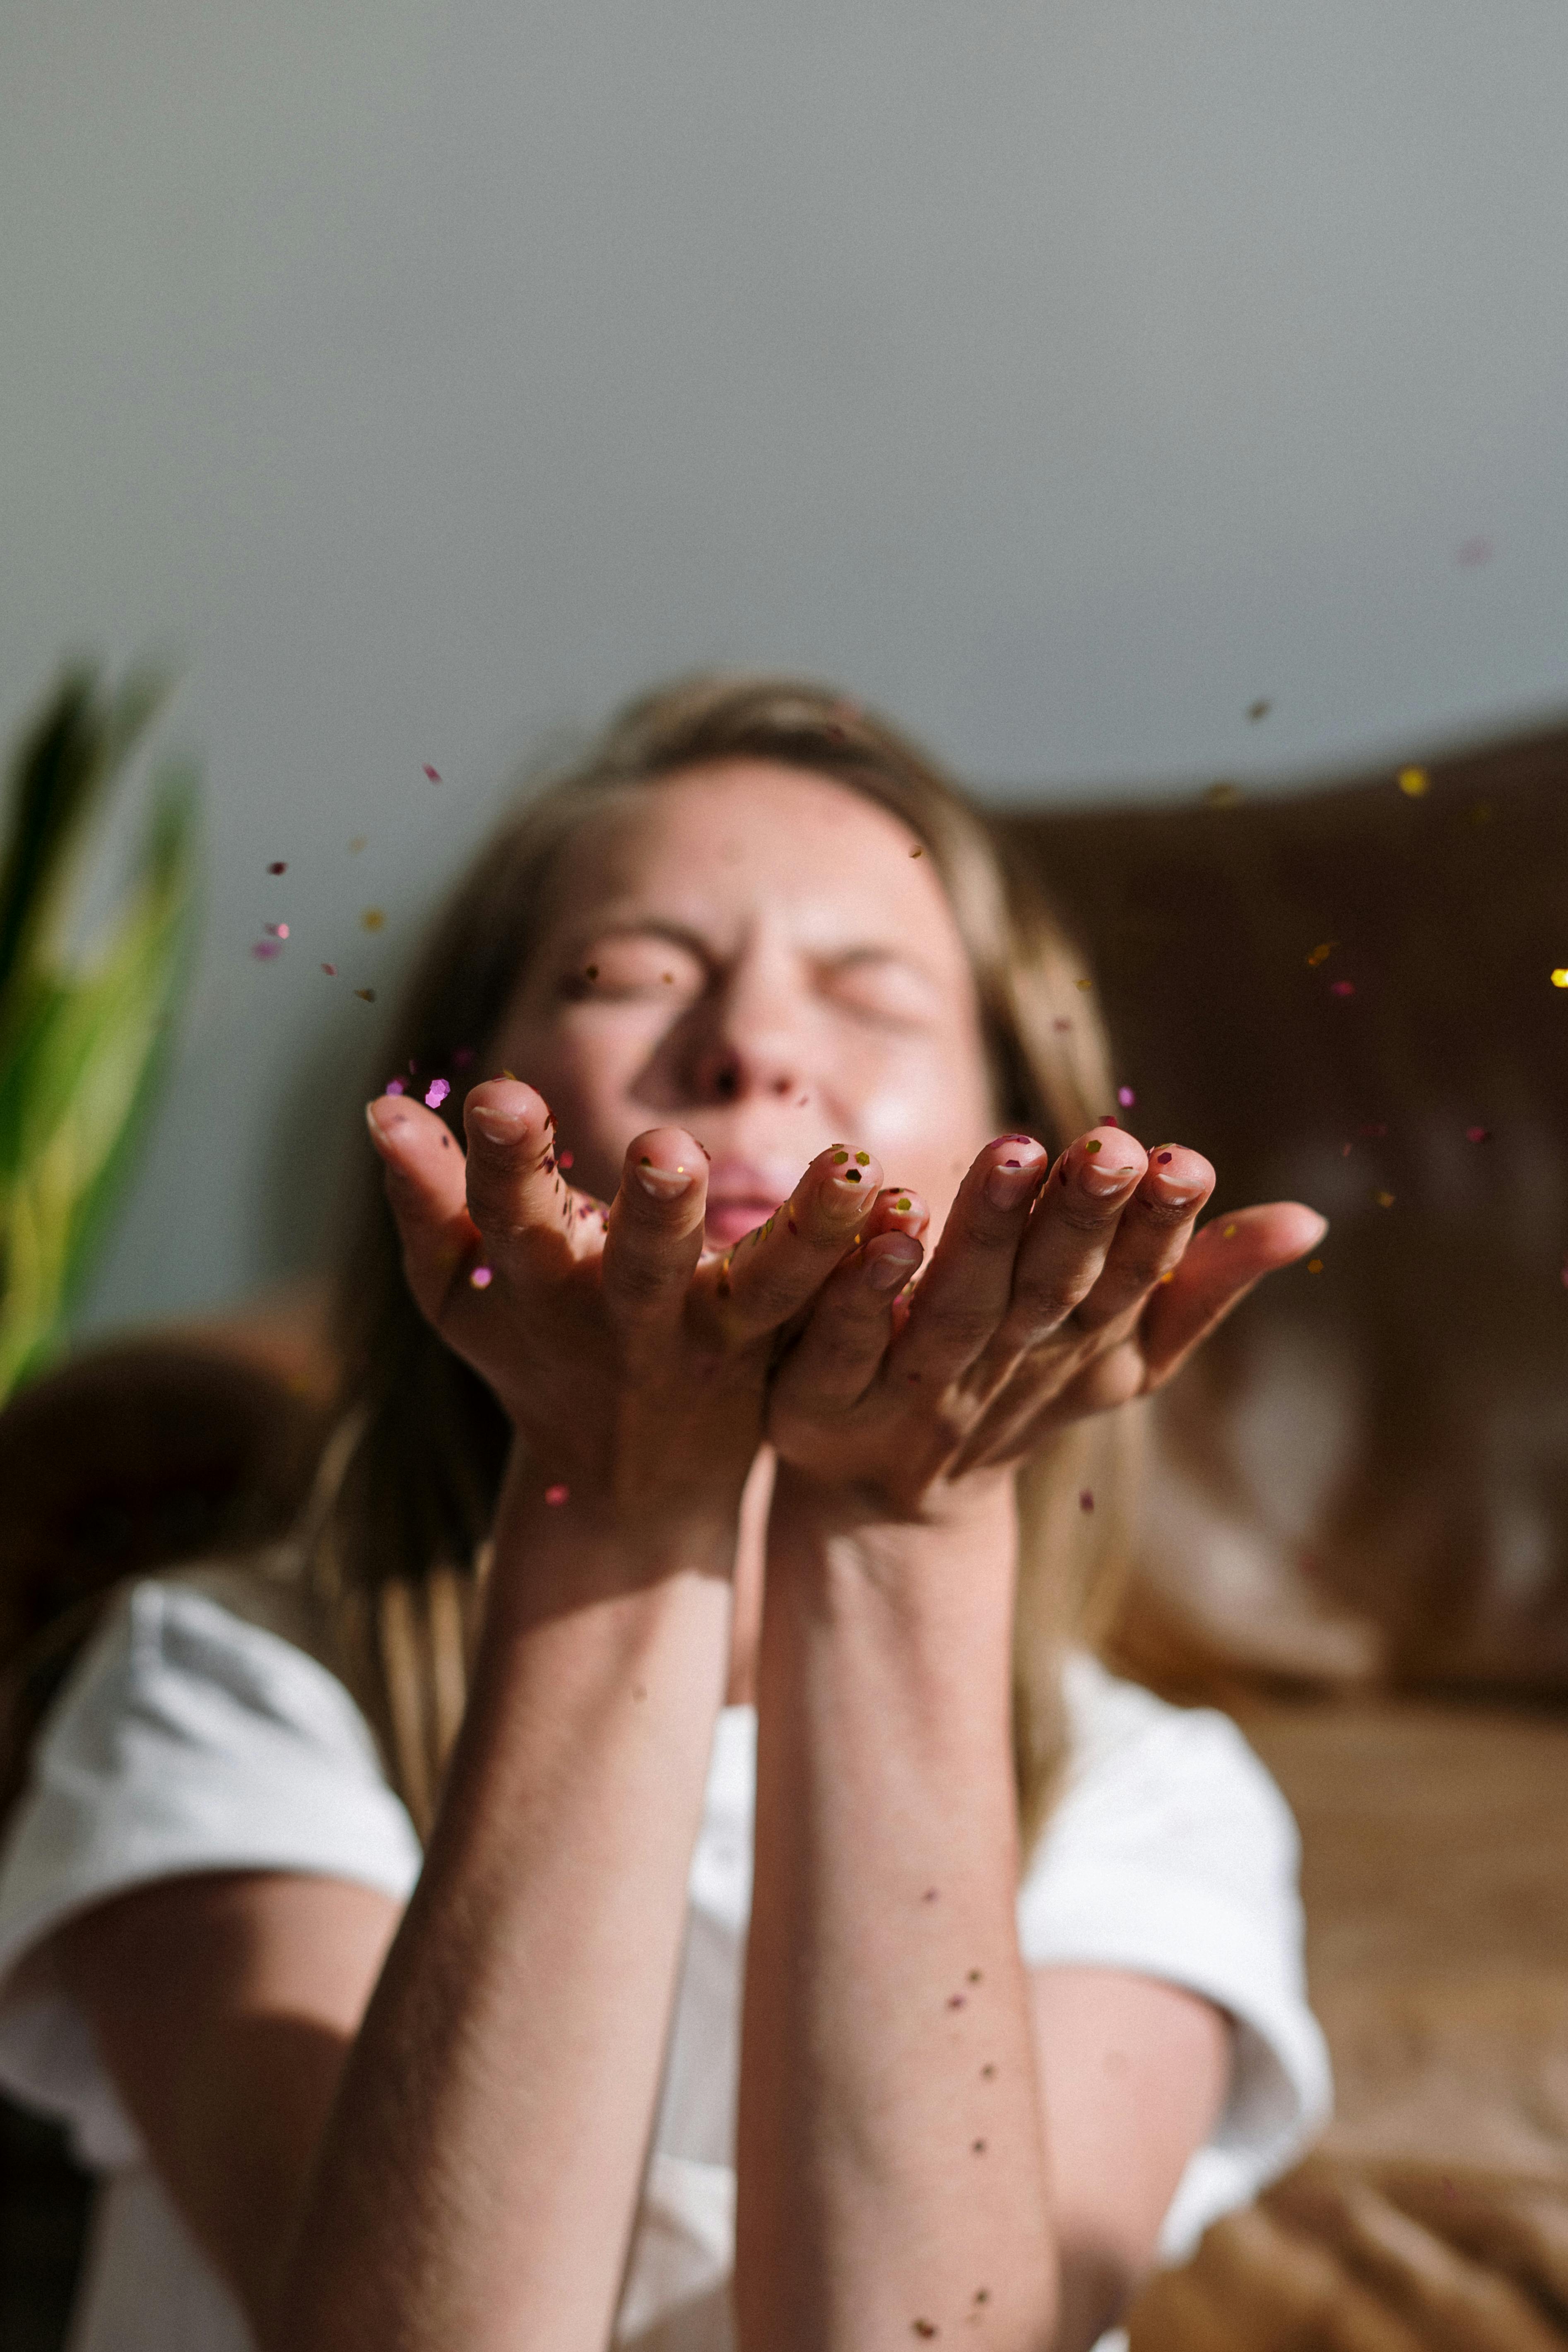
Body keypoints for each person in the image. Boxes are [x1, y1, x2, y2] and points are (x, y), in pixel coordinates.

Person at [0, 676, 1331, 2352]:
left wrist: (904, 1528)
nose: (752, 1043)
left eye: (870, 992)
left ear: (1024, 1142)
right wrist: (618, 1502)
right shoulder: (223, 1690)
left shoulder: (1149, 1806)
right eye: (630, 973)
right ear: (472, 1098)